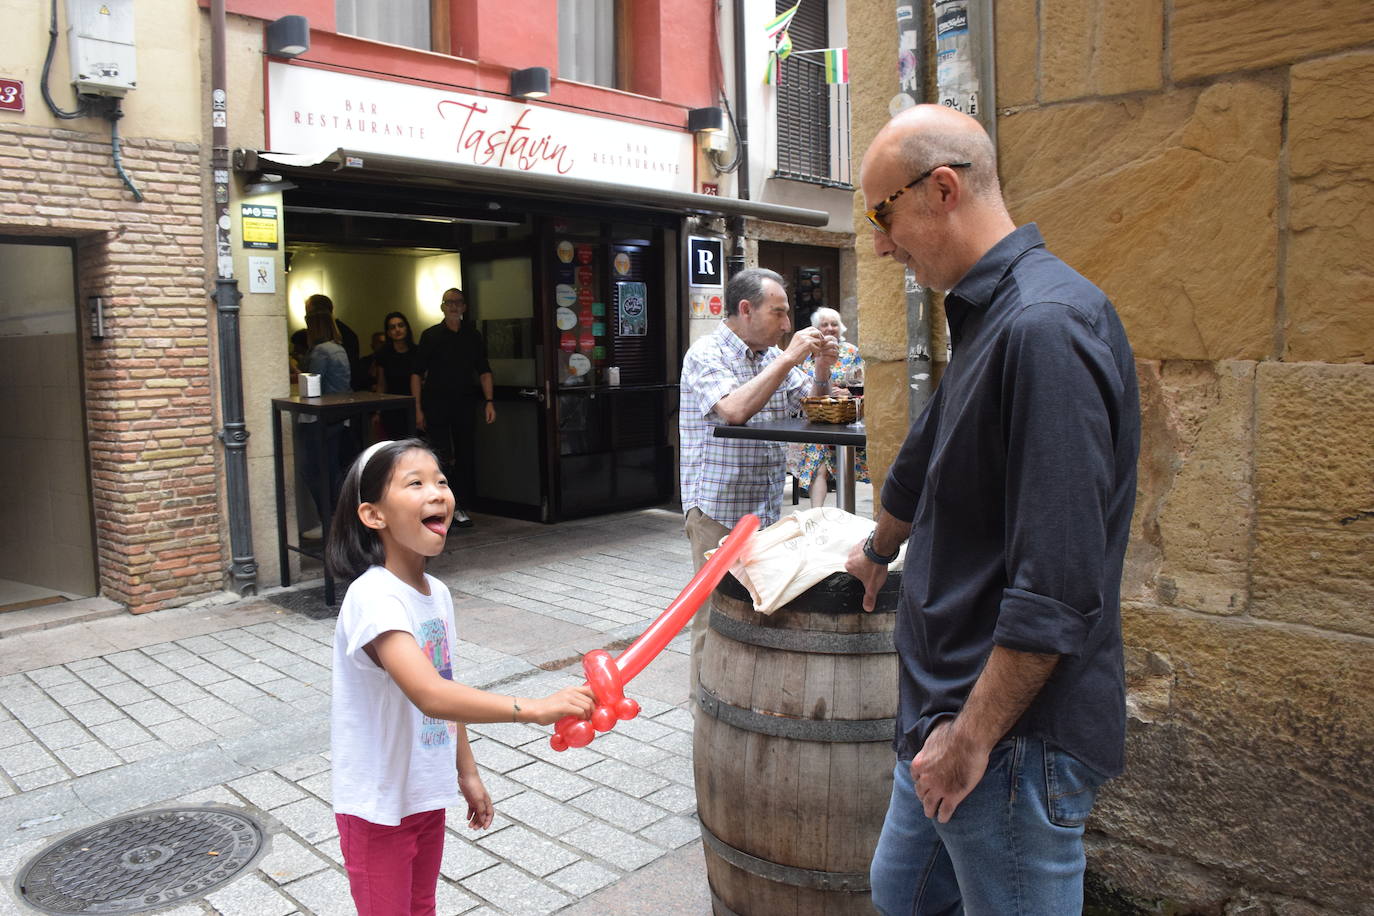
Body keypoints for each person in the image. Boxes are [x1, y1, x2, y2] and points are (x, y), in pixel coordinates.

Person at [844, 105, 1140, 915]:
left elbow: (1058, 583)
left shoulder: (1046, 328)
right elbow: (929, 453)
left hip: (1005, 738)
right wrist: (877, 546)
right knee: (899, 894)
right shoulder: (992, 312)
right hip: (945, 712)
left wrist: (970, 740)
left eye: (881, 214)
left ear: (941, 189)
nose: (879, 243)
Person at [326, 438, 594, 915]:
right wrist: (532, 709)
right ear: (374, 516)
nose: (437, 493)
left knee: (421, 906)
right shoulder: (374, 598)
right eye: (415, 483)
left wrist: (465, 772)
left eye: (441, 481)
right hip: (377, 807)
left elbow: (445, 687)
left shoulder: (438, 594)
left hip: (423, 793)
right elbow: (429, 694)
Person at [678, 266, 837, 691]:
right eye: (779, 313)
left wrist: (820, 368)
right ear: (745, 309)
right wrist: (789, 358)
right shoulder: (706, 353)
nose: (787, 325)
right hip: (718, 510)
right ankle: (705, 711)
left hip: (764, 512)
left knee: (756, 610)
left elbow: (812, 407)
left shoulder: (768, 356)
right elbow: (733, 409)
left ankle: (742, 701)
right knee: (714, 617)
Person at [411, 289, 495, 529]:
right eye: (449, 303)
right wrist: (417, 408)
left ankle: (460, 505)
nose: (454, 307)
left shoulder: (473, 336)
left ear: (464, 307)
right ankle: (439, 507)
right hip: (436, 404)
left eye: (458, 302)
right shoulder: (431, 335)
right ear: (442, 307)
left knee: (466, 453)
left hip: (465, 402)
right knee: (440, 455)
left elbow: (484, 369)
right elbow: (416, 374)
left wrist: (490, 401)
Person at [787, 307, 871, 508]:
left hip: (845, 418)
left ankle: (848, 514)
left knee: (848, 458)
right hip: (815, 419)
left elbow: (864, 382)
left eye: (834, 324)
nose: (830, 328)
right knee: (819, 461)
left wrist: (849, 394)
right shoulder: (807, 353)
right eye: (825, 324)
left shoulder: (851, 351)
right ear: (817, 328)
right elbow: (797, 389)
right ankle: (817, 515)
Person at [296, 310, 354, 540]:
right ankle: (338, 521)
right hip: (340, 416)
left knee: (315, 470)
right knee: (333, 468)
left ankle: (328, 520)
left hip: (321, 417)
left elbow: (313, 381)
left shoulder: (320, 351)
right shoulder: (339, 347)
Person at [292, 293, 365, 390]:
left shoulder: (321, 350)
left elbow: (312, 383)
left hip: (328, 397)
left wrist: (295, 370)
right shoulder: (338, 344)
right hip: (345, 394)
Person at [371, 311, 419, 440]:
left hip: (413, 406)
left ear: (407, 327)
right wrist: (378, 411)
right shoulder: (384, 354)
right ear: (388, 333)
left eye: (400, 325)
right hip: (392, 408)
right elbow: (382, 384)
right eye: (392, 327)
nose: (397, 330)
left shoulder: (417, 352)